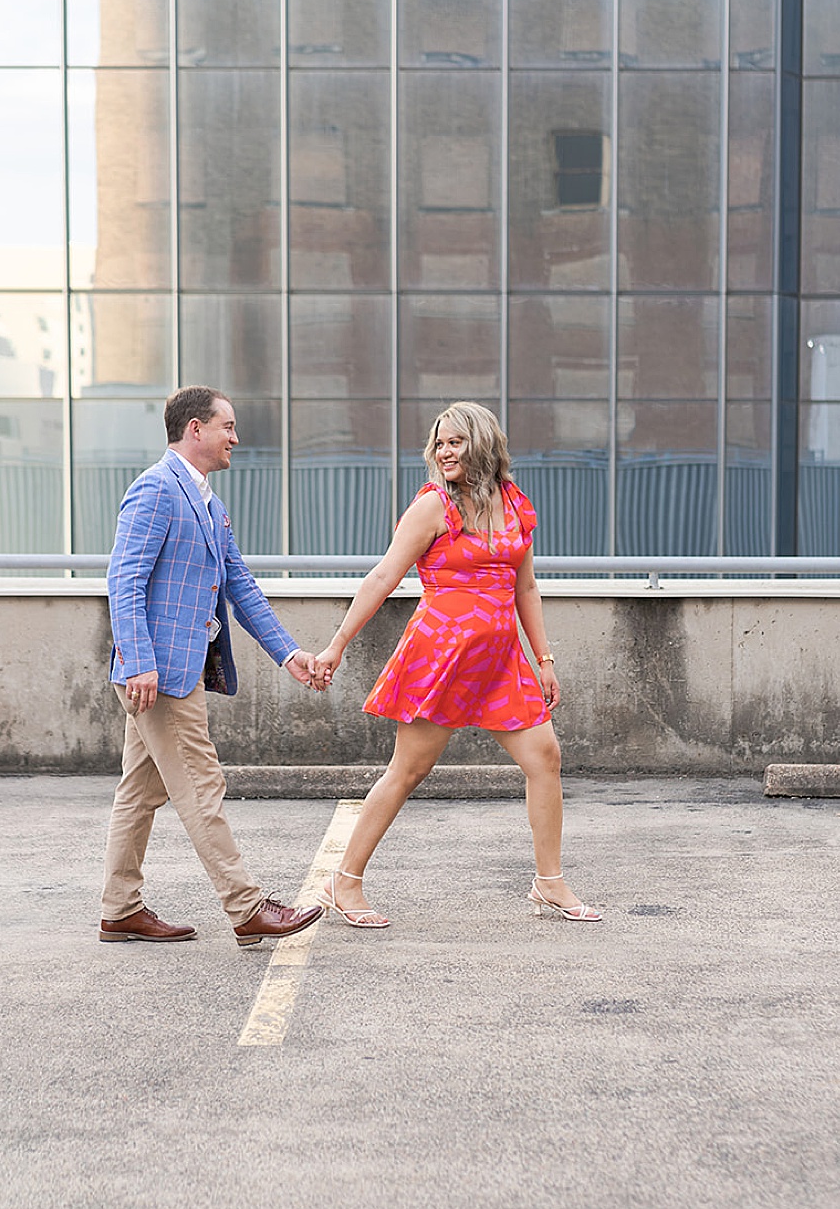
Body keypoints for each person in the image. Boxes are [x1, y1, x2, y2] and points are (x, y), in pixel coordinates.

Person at [310, 401, 600, 929]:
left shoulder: (514, 504)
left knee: (546, 759)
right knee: (409, 769)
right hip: (441, 656)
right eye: (439, 443)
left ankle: (549, 882)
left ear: (482, 444)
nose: (443, 452)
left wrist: (545, 659)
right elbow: (382, 578)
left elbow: (525, 586)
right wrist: (337, 645)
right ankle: (344, 881)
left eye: (455, 442)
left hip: (501, 659)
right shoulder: (432, 507)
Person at [100, 386, 326, 947]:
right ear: (195, 429)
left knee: (138, 791)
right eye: (228, 426)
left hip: (177, 670)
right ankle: (247, 908)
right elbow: (122, 580)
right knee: (203, 786)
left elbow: (240, 586)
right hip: (161, 676)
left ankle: (119, 907)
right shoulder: (155, 489)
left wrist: (289, 653)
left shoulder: (208, 502)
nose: (236, 438)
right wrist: (139, 661)